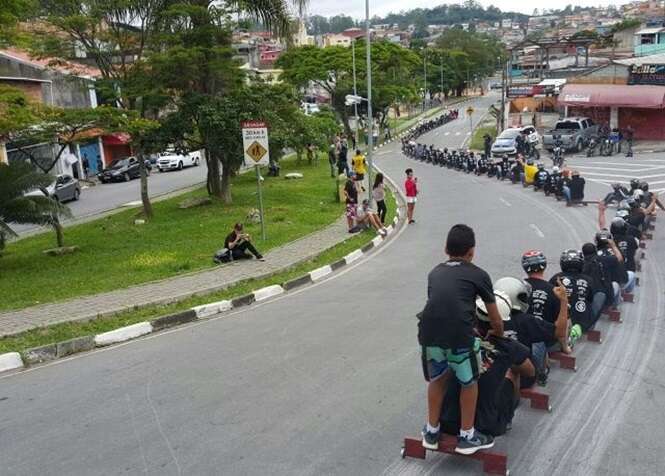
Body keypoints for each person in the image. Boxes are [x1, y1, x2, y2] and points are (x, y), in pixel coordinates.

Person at [419, 224, 503, 454]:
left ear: (446, 248)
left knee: (437, 379)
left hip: (428, 334)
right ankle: (467, 435)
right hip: (459, 337)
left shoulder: (435, 271)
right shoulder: (478, 274)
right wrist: (498, 332)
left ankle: (431, 430)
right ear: (472, 251)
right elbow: (494, 317)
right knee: (469, 382)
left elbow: (439, 304)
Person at [549, 250, 598, 348]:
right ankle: (577, 328)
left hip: (560, 318)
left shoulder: (556, 278)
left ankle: (570, 331)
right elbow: (591, 299)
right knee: (598, 297)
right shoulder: (588, 280)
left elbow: (550, 297)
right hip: (584, 319)